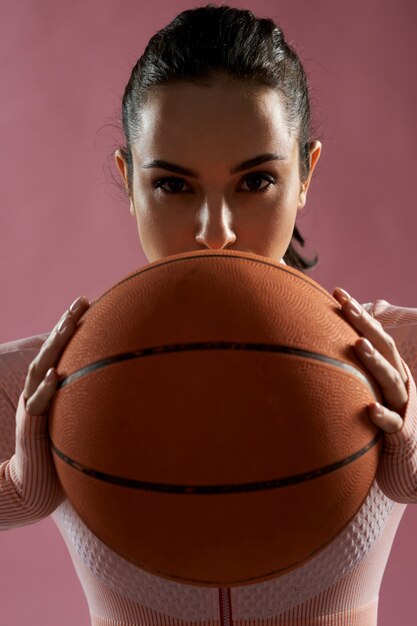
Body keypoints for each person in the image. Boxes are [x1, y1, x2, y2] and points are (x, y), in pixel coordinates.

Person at [1, 4, 416, 625]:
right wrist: (13, 487)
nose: (215, 232)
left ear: (305, 174)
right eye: (173, 185)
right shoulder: (39, 385)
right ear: (129, 181)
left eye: (255, 183)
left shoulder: (398, 359)